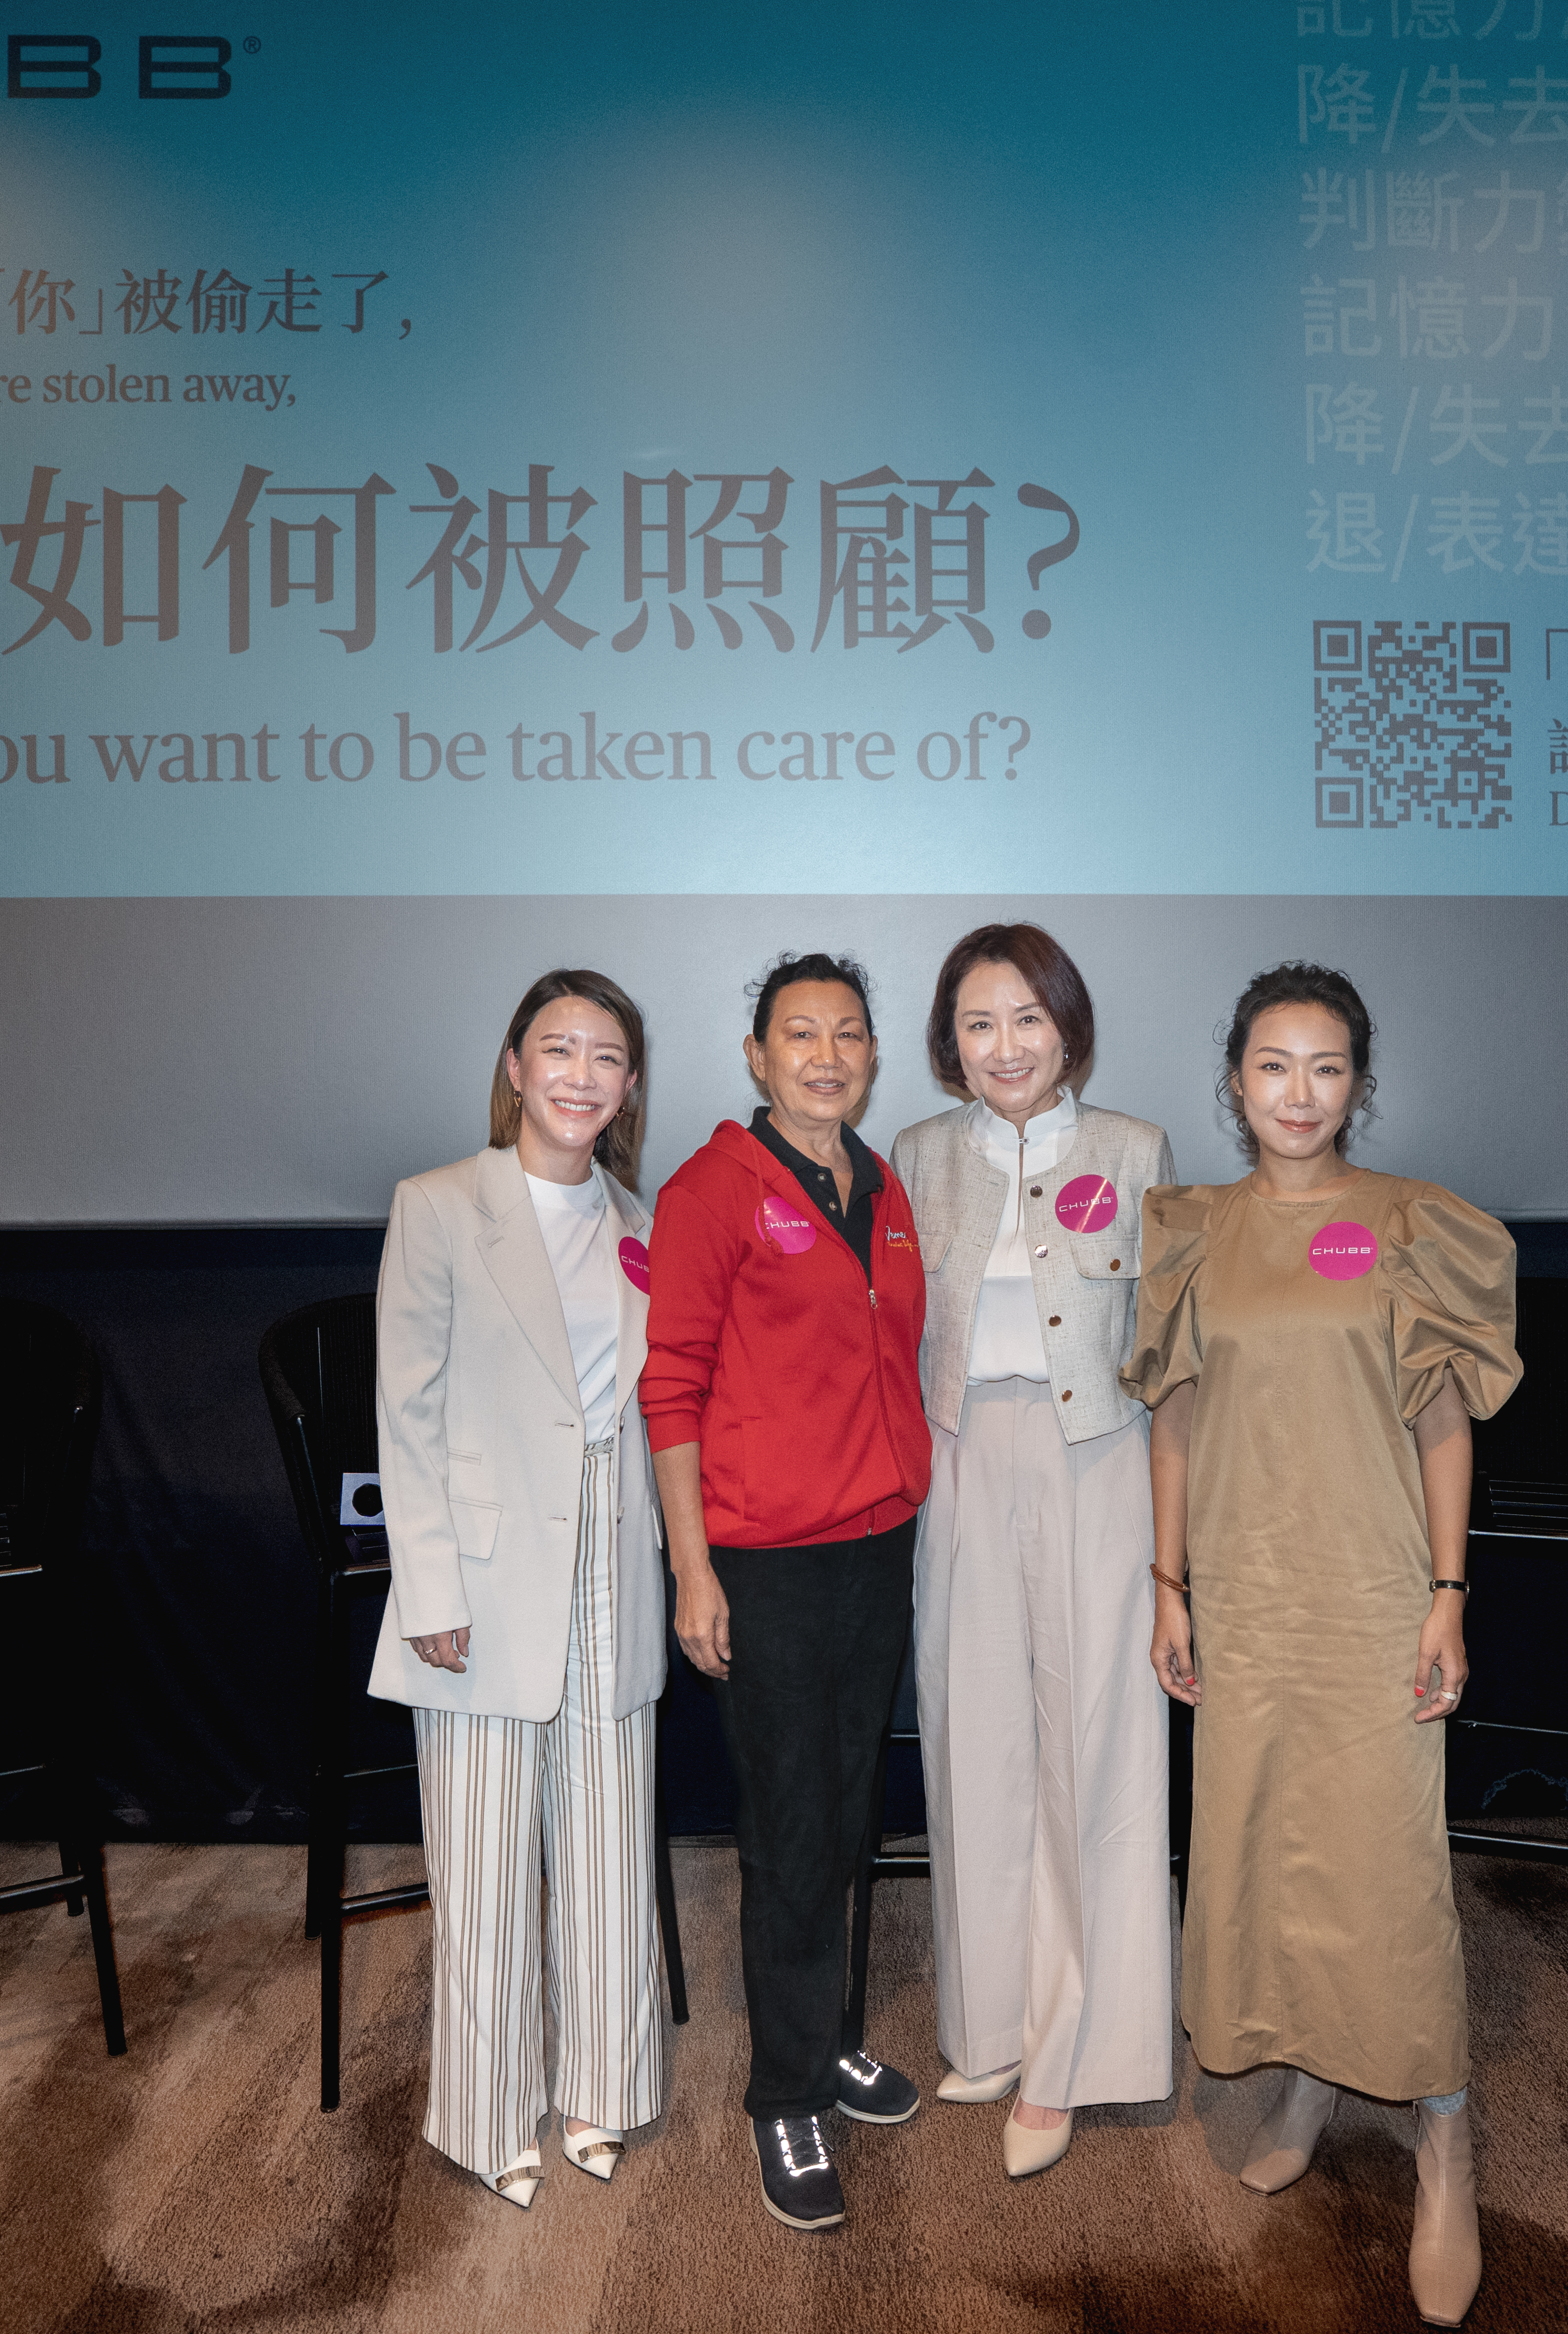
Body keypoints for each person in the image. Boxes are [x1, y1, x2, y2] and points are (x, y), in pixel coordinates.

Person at [1124, 962, 1521, 2329]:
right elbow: (1171, 1420)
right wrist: (1169, 1585)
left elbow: (1445, 1423)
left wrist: (1448, 1592)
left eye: (1328, 1067)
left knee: (1388, 1863)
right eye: (1274, 1066)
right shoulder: (1189, 1231)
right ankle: (1308, 2068)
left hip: (1370, 1594)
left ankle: (1445, 2128)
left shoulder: (1413, 1226)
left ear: (1361, 1083)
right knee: (1264, 1839)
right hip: (1243, 1591)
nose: (1300, 1092)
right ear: (1233, 1083)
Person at [367, 970, 674, 2210]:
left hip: (616, 1541)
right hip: (483, 1572)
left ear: (631, 1083)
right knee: (486, 1857)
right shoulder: (440, 1203)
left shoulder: (642, 1220)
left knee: (606, 1840)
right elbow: (408, 1408)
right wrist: (427, 1581)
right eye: (559, 1049)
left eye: (607, 1056)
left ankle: (605, 2085)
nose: (581, 1074)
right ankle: (489, 2111)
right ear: (512, 1063)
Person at [638, 953, 935, 2233]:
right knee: (792, 1821)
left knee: (851, 1807)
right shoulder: (712, 1189)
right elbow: (672, 1387)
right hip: (765, 1558)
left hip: (877, 1543)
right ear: (756, 1057)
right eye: (799, 1035)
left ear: (874, 1057)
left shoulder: (881, 1184)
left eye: (850, 1035)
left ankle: (829, 2040)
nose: (827, 1055)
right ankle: (784, 2095)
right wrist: (692, 1565)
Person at [886, 923, 1176, 2180]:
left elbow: (1165, 1344)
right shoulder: (912, 1156)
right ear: (951, 1042)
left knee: (1097, 1744)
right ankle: (994, 2024)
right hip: (958, 1458)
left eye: (1028, 1020)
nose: (1005, 1046)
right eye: (978, 1024)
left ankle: (1080, 2051)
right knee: (974, 1736)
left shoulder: (1133, 1149)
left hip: (1097, 1459)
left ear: (1069, 1029)